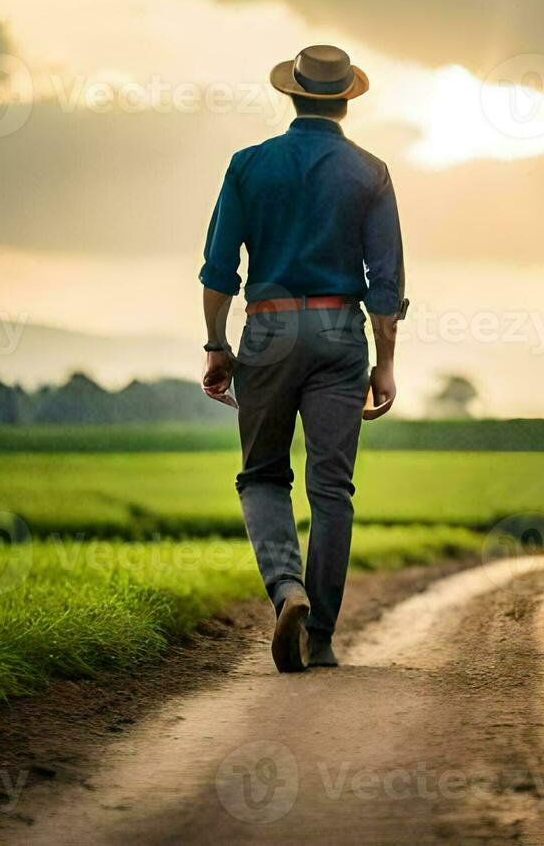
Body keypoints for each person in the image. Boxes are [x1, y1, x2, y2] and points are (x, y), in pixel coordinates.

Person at [197, 44, 407, 673]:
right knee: (332, 487)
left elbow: (217, 268)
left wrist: (216, 344)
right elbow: (385, 285)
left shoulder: (248, 165)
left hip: (268, 327)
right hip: (341, 331)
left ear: (291, 95)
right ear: (346, 100)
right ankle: (319, 636)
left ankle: (287, 589)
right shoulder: (371, 172)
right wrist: (385, 364)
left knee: (262, 474)